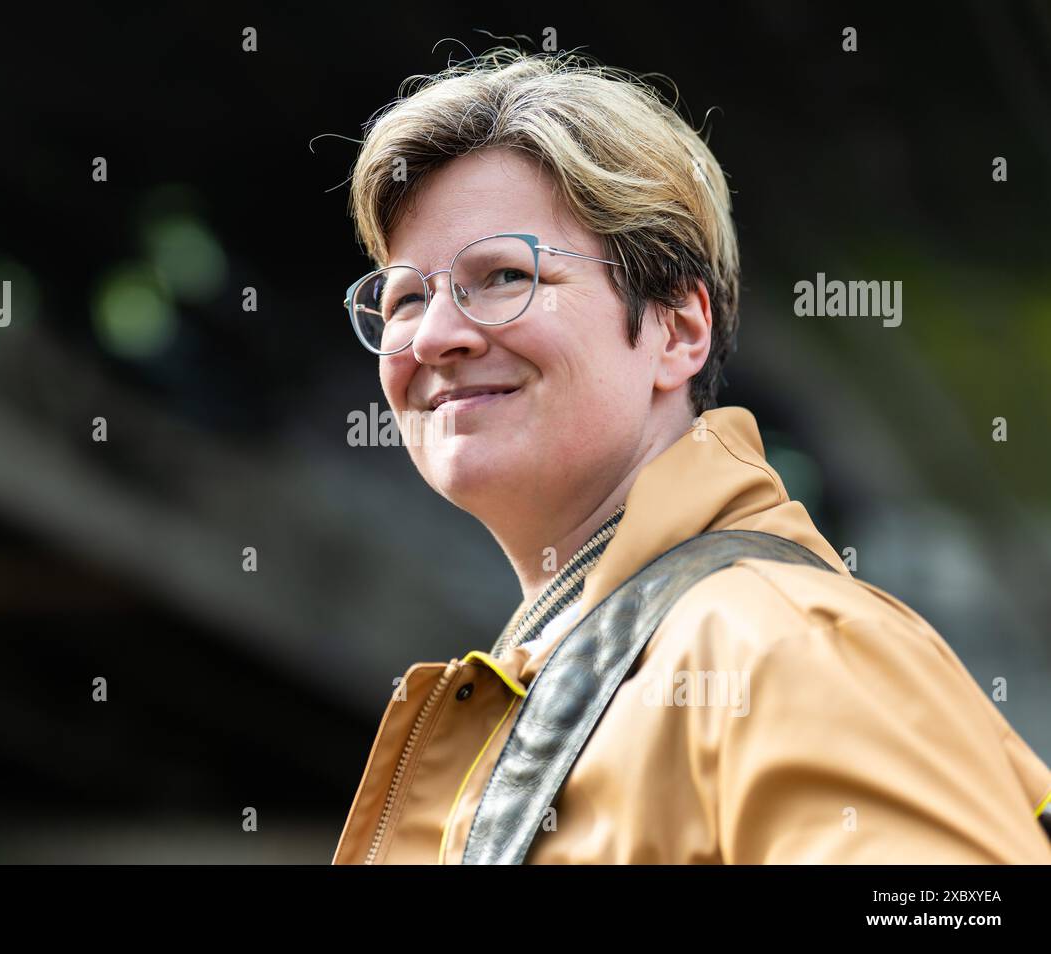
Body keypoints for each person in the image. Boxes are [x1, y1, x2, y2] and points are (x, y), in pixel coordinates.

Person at [331, 48, 1051, 864]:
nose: (434, 336)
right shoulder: (607, 663)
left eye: (502, 275)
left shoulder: (777, 644)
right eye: (404, 298)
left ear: (677, 330)